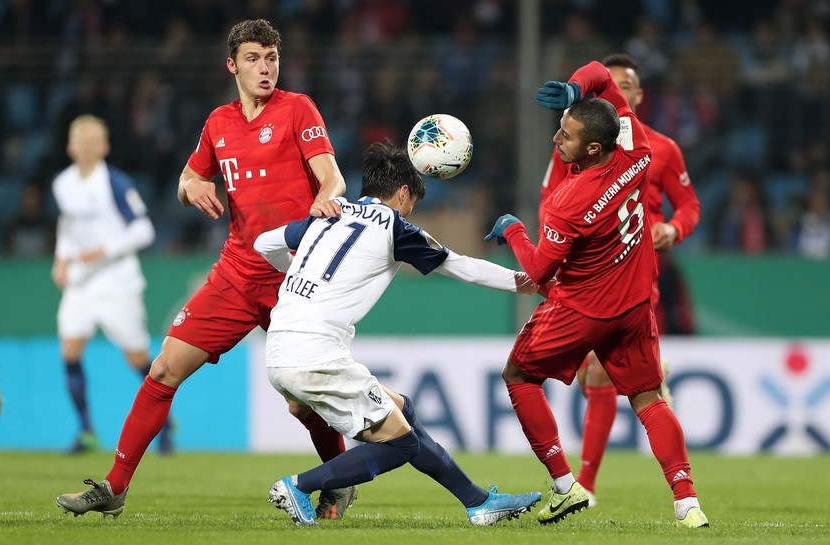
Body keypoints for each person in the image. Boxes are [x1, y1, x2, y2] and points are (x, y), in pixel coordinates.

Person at [57, 19, 352, 519]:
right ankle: (114, 486)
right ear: (233, 65)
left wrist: (326, 200)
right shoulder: (219, 122)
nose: (266, 68)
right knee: (163, 369)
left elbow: (333, 177)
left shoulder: (297, 109)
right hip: (236, 274)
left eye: (272, 58)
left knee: (302, 403)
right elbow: (188, 177)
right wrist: (190, 187)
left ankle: (339, 481)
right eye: (255, 59)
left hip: (295, 280)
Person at [257, 142, 542, 526]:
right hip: (316, 353)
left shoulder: (328, 214)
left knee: (402, 409)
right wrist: (526, 282)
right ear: (404, 194)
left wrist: (295, 273)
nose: (411, 211)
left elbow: (264, 244)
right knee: (400, 442)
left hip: (279, 348)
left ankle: (478, 504)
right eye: (412, 203)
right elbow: (461, 266)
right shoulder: (395, 226)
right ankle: (299, 485)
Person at [485, 60, 708, 528]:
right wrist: (575, 89)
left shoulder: (568, 199)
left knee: (518, 375)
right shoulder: (639, 153)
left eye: (563, 136)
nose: (555, 140)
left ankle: (567, 486)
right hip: (635, 304)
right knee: (649, 399)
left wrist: (515, 231)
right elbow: (602, 76)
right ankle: (687, 502)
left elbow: (542, 267)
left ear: (590, 147)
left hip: (583, 307)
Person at [537, 53, 701, 505]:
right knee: (601, 381)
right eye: (615, 85)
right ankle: (597, 484)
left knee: (599, 374)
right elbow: (550, 198)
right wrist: (552, 256)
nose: (621, 92)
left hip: (632, 272)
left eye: (627, 86)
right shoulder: (575, 146)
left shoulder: (658, 148)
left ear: (638, 95)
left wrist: (673, 228)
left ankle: (585, 486)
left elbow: (689, 206)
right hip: (585, 270)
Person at [50, 115, 172, 455]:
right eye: (80, 142)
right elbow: (68, 224)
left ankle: (165, 421)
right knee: (70, 351)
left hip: (117, 280)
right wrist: (62, 259)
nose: (86, 148)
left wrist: (103, 250)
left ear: (104, 147)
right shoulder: (63, 184)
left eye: (93, 142)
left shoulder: (116, 183)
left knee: (137, 358)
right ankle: (86, 430)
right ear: (70, 146)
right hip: (81, 282)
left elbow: (143, 230)